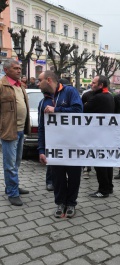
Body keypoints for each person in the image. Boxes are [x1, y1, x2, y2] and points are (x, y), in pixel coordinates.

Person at [37, 70, 83, 218]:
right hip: (55, 147)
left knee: (74, 176)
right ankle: (60, 203)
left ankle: (71, 203)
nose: (38, 84)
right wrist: (41, 150)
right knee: (58, 177)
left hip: (73, 145)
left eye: (40, 80)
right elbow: (41, 127)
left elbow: (78, 110)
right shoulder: (43, 101)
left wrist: (56, 110)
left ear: (49, 80)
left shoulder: (69, 91)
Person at [0, 60, 30, 206]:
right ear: (6, 70)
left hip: (20, 130)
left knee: (16, 162)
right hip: (8, 131)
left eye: (20, 68)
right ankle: (12, 193)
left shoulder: (20, 85)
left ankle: (12, 186)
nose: (19, 71)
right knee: (9, 164)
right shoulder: (2, 85)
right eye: (15, 68)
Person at [84, 75, 115, 198]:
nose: (91, 84)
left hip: (98, 135)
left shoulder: (98, 97)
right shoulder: (109, 96)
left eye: (93, 82)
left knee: (99, 163)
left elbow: (84, 108)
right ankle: (109, 187)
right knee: (107, 162)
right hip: (107, 134)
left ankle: (103, 190)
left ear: (101, 85)